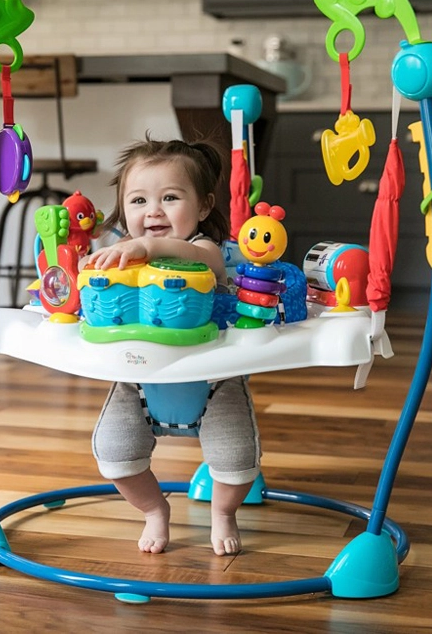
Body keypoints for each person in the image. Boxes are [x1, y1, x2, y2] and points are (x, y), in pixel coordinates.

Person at [86, 137, 261, 556]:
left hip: (213, 381)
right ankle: (153, 509)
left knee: (237, 461)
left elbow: (204, 261)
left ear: (203, 207)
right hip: (137, 381)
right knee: (115, 454)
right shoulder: (120, 254)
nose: (153, 211)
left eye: (169, 197)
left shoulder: (204, 248)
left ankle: (223, 513)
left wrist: (148, 247)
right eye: (138, 200)